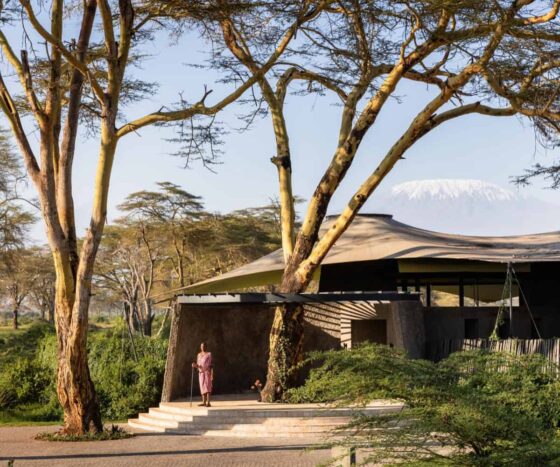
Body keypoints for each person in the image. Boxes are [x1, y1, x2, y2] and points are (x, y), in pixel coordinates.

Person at [192, 342, 213, 407]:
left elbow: (209, 364)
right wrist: (195, 365)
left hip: (207, 372)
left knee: (207, 386)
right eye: (201, 346)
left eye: (204, 346)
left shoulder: (209, 354)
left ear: (206, 347)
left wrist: (205, 369)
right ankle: (204, 402)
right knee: (202, 386)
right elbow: (198, 364)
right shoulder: (198, 355)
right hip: (201, 373)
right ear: (200, 347)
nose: (203, 347)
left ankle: (208, 402)